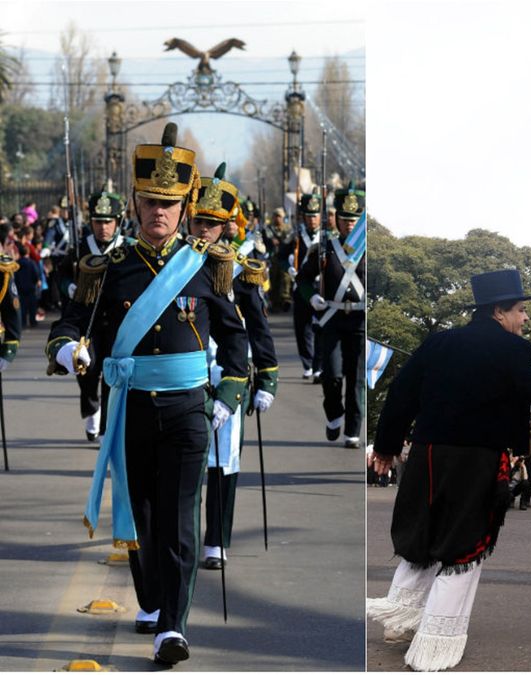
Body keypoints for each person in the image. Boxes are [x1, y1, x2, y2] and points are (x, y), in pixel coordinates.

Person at [46, 123, 248, 666]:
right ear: (135, 204)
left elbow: (236, 339)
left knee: (182, 518)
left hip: (187, 410)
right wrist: (71, 353)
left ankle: (172, 628)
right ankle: (155, 603)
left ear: (184, 207)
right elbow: (68, 326)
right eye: (149, 202)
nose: (158, 212)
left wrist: (228, 395)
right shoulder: (108, 270)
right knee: (142, 516)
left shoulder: (207, 267)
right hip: (130, 408)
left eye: (169, 203)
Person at [365, 269, 531, 671]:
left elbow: (401, 395)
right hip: (476, 458)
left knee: (425, 532)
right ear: (499, 311)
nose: (525, 319)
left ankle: (400, 621)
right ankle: (435, 641)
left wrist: (387, 447)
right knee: (465, 547)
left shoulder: (439, 341)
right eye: (521, 310)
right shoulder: (512, 349)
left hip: (426, 453)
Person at [187, 164, 279, 571]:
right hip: (183, 371)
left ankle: (216, 540)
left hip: (230, 375)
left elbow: (257, 327)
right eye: (199, 221)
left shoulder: (240, 269)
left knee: (223, 462)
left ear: (226, 227)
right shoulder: (176, 263)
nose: (203, 230)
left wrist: (268, 379)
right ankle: (183, 535)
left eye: (212, 224)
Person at [58, 188, 132, 441]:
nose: (103, 227)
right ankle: (92, 410)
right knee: (87, 371)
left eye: (108, 222)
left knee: (112, 372)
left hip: (117, 322)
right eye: (98, 222)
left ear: (117, 221)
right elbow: (62, 274)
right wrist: (69, 287)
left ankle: (106, 427)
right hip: (87, 321)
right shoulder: (80, 249)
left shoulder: (128, 249)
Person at [296, 184, 366, 447]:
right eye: (345, 220)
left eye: (355, 220)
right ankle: (334, 415)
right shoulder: (326, 246)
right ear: (337, 219)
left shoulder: (370, 249)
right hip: (333, 320)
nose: (349, 225)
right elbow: (303, 279)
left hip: (360, 321)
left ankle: (352, 432)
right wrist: (311, 297)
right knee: (333, 376)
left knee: (356, 380)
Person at [287, 191, 323, 379]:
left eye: (315, 216)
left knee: (320, 327)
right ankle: (307, 363)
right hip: (300, 287)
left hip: (321, 287)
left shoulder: (326, 237)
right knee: (302, 328)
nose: (312, 220)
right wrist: (289, 266)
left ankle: (318, 365)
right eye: (309, 216)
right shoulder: (296, 236)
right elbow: (279, 255)